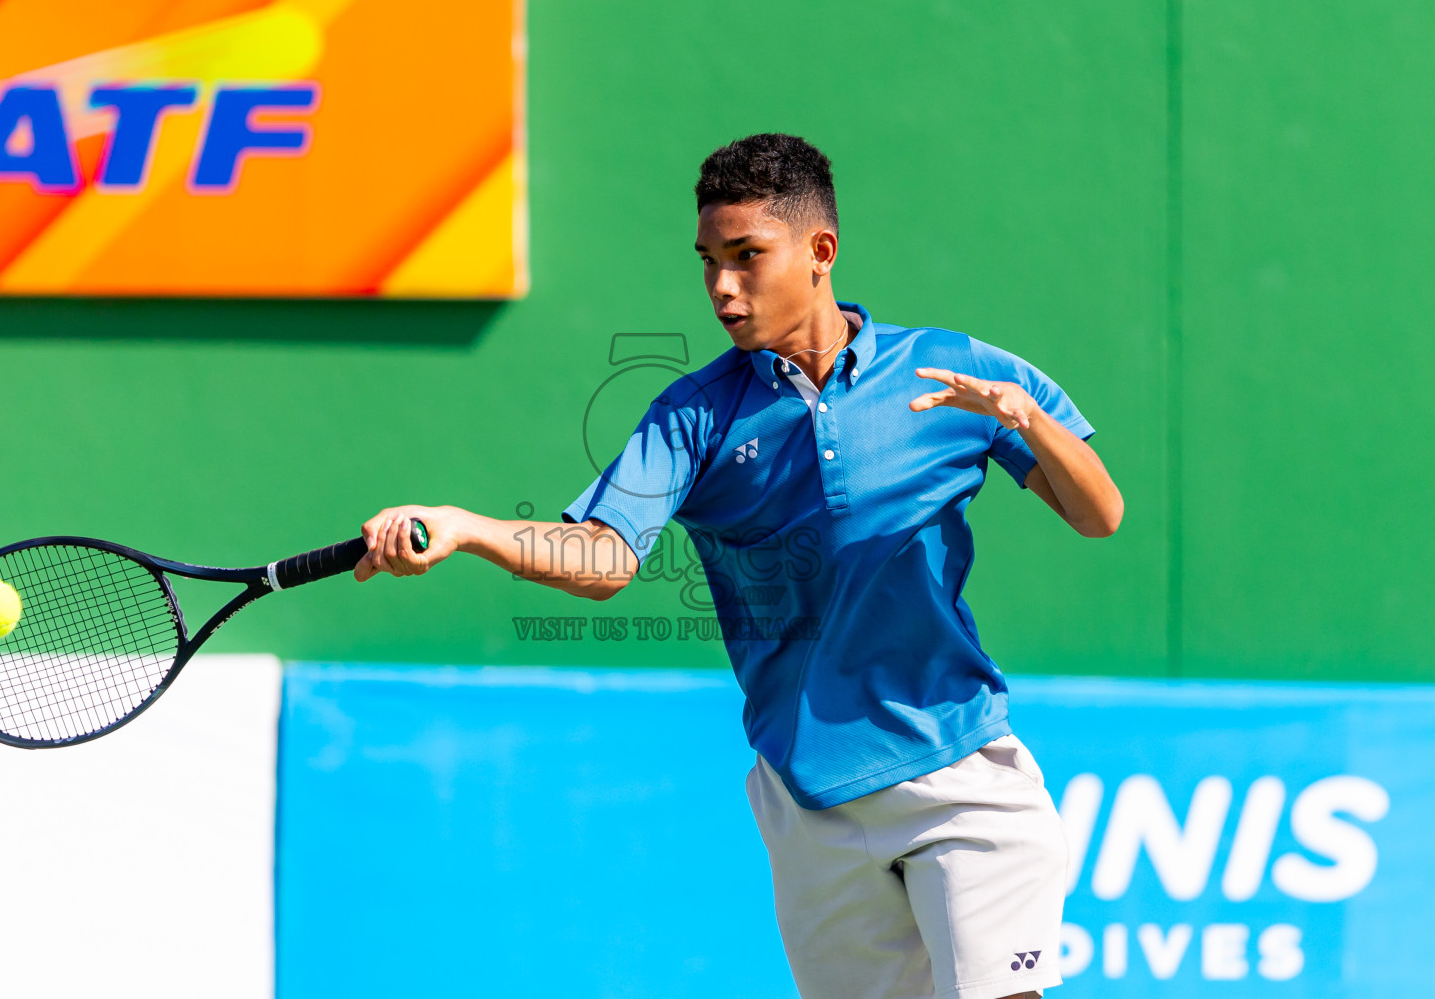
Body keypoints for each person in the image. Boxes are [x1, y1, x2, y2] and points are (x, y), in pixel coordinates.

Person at [354, 133, 1123, 999]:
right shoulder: (693, 415)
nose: (722, 286)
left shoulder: (955, 373)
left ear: (820, 252)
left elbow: (1099, 514)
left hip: (962, 775)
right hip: (811, 803)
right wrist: (466, 527)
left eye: (747, 257)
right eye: (710, 261)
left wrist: (1030, 422)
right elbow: (604, 557)